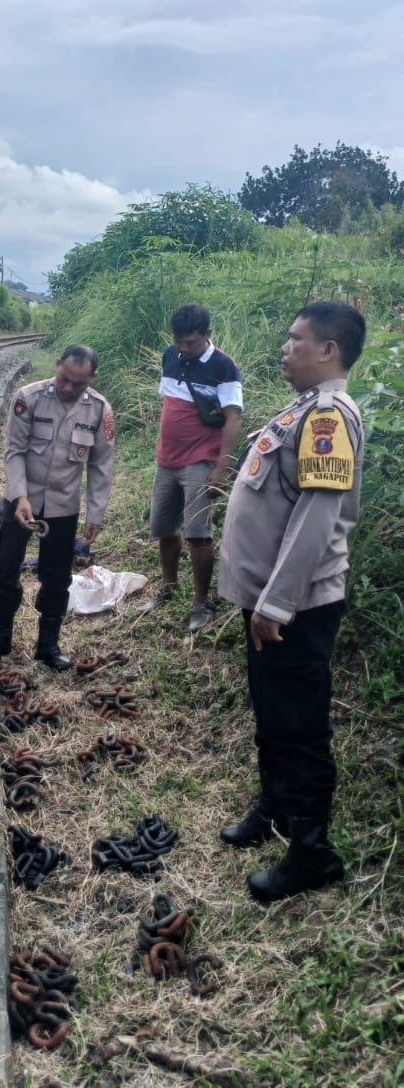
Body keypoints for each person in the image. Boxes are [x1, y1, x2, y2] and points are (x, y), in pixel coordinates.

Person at [218, 301, 365, 901]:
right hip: (267, 600)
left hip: (295, 607)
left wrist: (277, 603)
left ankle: (312, 853)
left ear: (328, 350)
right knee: (271, 711)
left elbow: (316, 516)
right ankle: (275, 811)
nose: (285, 347)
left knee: (299, 724)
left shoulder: (330, 416)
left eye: (295, 339)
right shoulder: (302, 408)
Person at [0, 344, 115, 671]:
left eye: (78, 383)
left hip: (63, 507)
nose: (68, 387)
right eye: (64, 378)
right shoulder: (29, 397)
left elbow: (101, 466)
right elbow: (15, 452)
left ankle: (48, 647)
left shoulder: (99, 410)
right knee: (4, 568)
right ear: (57, 366)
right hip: (21, 502)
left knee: (56, 577)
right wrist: (20, 497)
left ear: (92, 378)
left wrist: (95, 513)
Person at [150, 304, 243, 631]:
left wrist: (222, 467)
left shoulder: (223, 366)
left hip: (200, 461)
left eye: (190, 342)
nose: (183, 348)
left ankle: (201, 603)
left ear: (207, 335)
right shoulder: (170, 355)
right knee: (164, 527)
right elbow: (170, 404)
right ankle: (169, 584)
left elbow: (233, 417)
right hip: (167, 460)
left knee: (198, 534)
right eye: (179, 341)